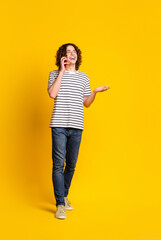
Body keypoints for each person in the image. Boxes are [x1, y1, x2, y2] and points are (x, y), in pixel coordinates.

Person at [47, 43, 110, 219]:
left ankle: (64, 195)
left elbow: (86, 103)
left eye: (73, 51)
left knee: (71, 165)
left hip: (76, 126)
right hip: (59, 125)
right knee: (58, 165)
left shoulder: (83, 77)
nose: (71, 54)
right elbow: (52, 94)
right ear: (62, 56)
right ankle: (60, 203)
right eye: (67, 51)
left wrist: (95, 92)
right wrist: (61, 71)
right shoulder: (54, 74)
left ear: (77, 56)